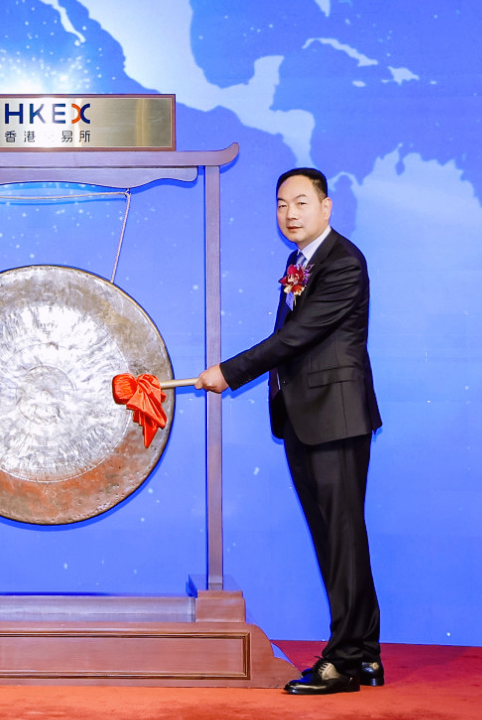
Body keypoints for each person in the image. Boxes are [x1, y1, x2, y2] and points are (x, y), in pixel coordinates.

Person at [196, 166, 383, 695]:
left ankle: (343, 662)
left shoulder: (343, 262)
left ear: (326, 207)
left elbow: (295, 337)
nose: (290, 214)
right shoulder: (298, 261)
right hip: (304, 415)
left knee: (342, 537)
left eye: (301, 203)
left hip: (335, 417)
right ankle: (365, 654)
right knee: (336, 538)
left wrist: (229, 372)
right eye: (282, 204)